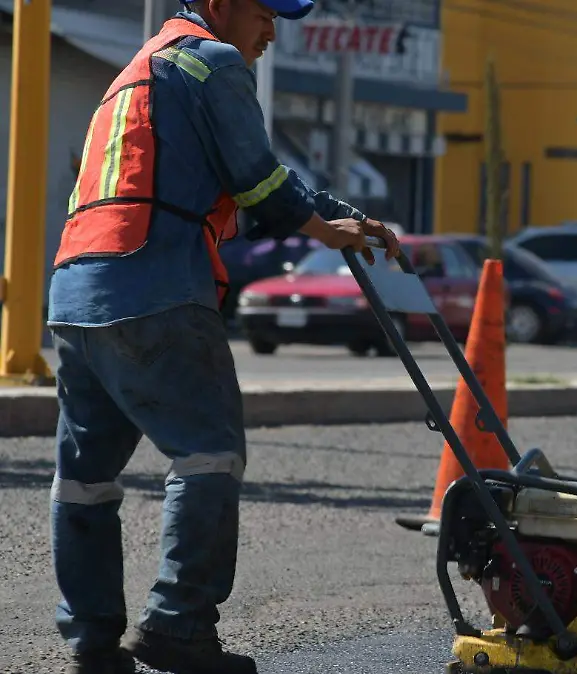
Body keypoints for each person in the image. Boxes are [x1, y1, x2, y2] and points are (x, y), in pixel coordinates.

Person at [45, 1, 401, 673]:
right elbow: (261, 183)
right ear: (223, 3)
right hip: (154, 286)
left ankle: (91, 644)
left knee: (84, 477)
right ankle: (179, 626)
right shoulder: (213, 63)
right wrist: (326, 229)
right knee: (208, 454)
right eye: (268, 13)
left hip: (76, 290)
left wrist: (329, 212)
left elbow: (220, 200)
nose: (274, 31)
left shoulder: (134, 75)